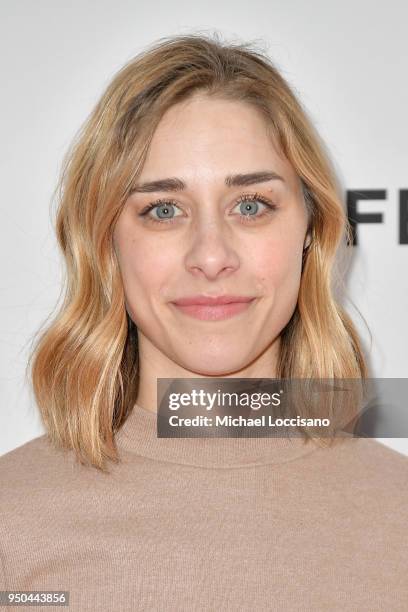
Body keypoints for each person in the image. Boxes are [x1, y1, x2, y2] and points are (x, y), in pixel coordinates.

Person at [0, 33, 407, 611]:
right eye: (163, 210)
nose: (212, 256)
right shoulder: (10, 526)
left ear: (312, 233)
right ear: (106, 244)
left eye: (251, 205)